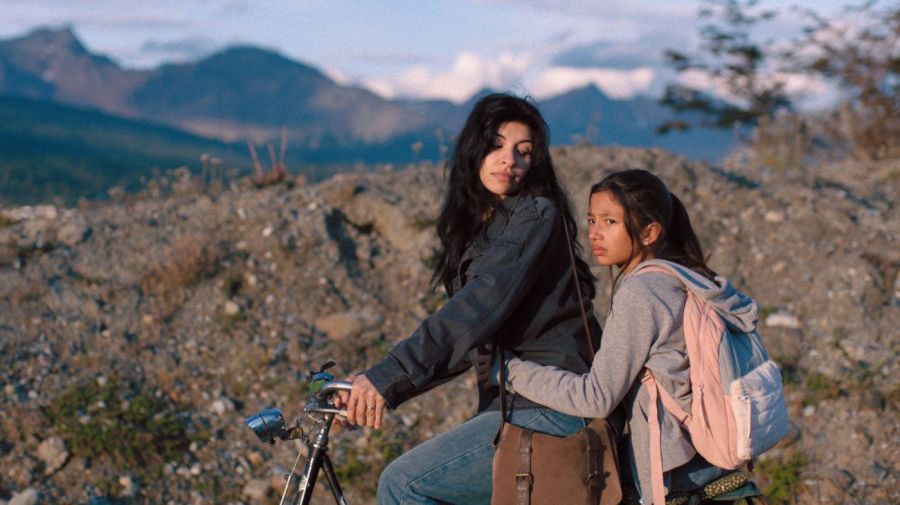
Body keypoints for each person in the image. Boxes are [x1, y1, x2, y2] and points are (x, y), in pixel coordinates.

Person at [336, 93, 602, 505]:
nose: (509, 159)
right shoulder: (483, 225)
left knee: (403, 484)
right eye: (496, 145)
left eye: (523, 151)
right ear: (474, 149)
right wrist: (374, 383)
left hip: (556, 404)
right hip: (517, 404)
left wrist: (387, 379)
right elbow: (465, 339)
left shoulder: (536, 215)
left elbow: (476, 309)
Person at [494, 168, 759, 503]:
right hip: (712, 461)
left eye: (610, 222)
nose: (594, 233)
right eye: (591, 220)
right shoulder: (687, 277)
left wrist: (510, 373)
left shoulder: (641, 292)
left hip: (677, 477)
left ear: (649, 232)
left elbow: (596, 398)